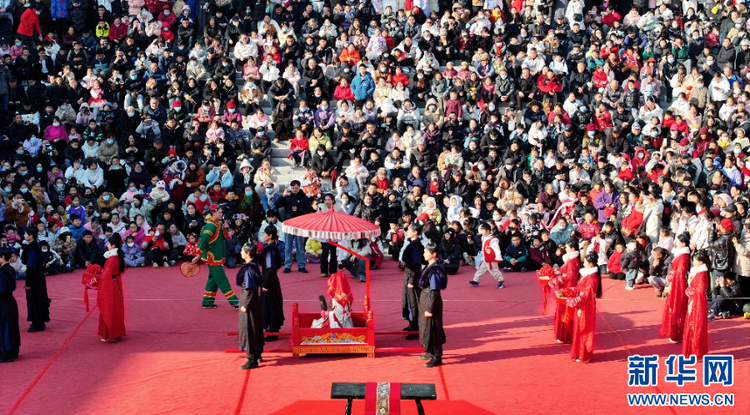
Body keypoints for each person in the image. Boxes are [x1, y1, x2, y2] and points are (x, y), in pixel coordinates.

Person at [192, 204, 239, 309]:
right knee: (222, 279)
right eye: (220, 212)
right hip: (212, 257)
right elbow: (203, 241)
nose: (221, 214)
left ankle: (207, 302)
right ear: (213, 213)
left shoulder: (219, 224)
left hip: (216, 256)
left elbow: (227, 237)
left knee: (213, 279)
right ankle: (235, 302)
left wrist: (226, 228)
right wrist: (198, 255)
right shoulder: (211, 226)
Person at [542, 238, 581, 344]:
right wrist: (554, 271)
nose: (565, 248)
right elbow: (565, 271)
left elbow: (570, 276)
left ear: (572, 248)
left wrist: (558, 279)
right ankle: (566, 334)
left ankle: (566, 335)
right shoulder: (571, 259)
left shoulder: (573, 261)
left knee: (565, 311)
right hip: (566, 285)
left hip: (568, 287)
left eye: (567, 247)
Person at [568, 252, 602, 363]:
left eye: (585, 262)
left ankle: (584, 355)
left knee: (584, 330)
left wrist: (576, 300)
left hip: (586, 307)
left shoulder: (592, 278)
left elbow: (587, 295)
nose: (584, 264)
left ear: (591, 264)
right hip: (581, 306)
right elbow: (580, 288)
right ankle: (578, 353)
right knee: (578, 330)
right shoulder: (587, 275)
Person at [418, 242, 447, 368]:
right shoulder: (429, 266)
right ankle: (430, 351)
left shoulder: (435, 270)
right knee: (426, 327)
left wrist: (430, 308)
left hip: (432, 301)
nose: (424, 254)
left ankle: (437, 356)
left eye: (426, 252)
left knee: (434, 328)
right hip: (425, 299)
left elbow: (435, 291)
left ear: (434, 254)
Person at [236, 242, 264, 370]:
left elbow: (250, 288)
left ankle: (252, 358)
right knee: (255, 328)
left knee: (249, 329)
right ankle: (257, 354)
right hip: (254, 301)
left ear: (248, 253)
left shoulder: (248, 269)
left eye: (242, 251)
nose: (240, 252)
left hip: (249, 302)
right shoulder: (254, 266)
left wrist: (245, 305)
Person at [660, 234, 690, 343]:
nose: (676, 243)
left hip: (678, 286)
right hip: (675, 283)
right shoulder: (680, 254)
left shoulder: (683, 256)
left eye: (678, 242)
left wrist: (671, 283)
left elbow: (680, 273)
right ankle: (675, 332)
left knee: (676, 307)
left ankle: (676, 333)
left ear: (683, 243)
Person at [97, 234, 126, 342]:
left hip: (110, 285)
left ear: (113, 245)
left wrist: (97, 280)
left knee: (109, 308)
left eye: (108, 244)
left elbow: (106, 274)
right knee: (115, 308)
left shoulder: (112, 258)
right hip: (115, 283)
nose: (107, 245)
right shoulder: (116, 256)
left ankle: (110, 333)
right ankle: (115, 333)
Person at [683, 250, 709, 359]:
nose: (693, 262)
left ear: (701, 262)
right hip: (694, 301)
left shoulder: (702, 274)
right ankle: (693, 350)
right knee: (692, 326)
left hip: (698, 304)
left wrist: (690, 291)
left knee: (697, 326)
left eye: (695, 260)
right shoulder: (697, 271)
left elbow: (701, 291)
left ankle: (696, 351)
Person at [22, 228, 49, 332]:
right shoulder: (36, 246)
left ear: (31, 236)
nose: (24, 235)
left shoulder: (32, 248)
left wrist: (28, 282)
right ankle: (39, 322)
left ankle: (38, 323)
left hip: (34, 277)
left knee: (35, 300)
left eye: (25, 233)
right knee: (40, 298)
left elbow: (31, 266)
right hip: (39, 275)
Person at [260, 226, 284, 342]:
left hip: (270, 281)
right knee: (272, 304)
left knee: (271, 305)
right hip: (272, 280)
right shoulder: (273, 248)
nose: (263, 235)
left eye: (265, 233)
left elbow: (271, 269)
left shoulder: (270, 250)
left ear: (270, 236)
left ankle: (273, 331)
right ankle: (272, 329)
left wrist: (266, 285)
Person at [401, 223, 423, 339]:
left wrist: (412, 281)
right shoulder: (412, 244)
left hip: (412, 276)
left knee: (413, 302)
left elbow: (416, 264)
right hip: (409, 274)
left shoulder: (415, 246)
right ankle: (412, 324)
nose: (407, 231)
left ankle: (416, 328)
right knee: (409, 300)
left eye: (409, 229)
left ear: (415, 232)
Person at [468, 222, 505, 289]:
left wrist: (498, 258)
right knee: (480, 270)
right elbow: (483, 247)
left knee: (494, 271)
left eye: (483, 230)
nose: (481, 232)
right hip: (485, 258)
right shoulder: (483, 237)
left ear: (487, 231)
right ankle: (476, 281)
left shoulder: (493, 239)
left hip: (491, 259)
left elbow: (496, 249)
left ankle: (501, 281)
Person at [0, 250, 20, 362]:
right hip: (10, 301)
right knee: (11, 326)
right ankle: (13, 350)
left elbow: (1, 289)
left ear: (3, 257)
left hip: (3, 303)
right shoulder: (11, 269)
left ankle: (6, 353)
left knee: (5, 327)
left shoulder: (2, 272)